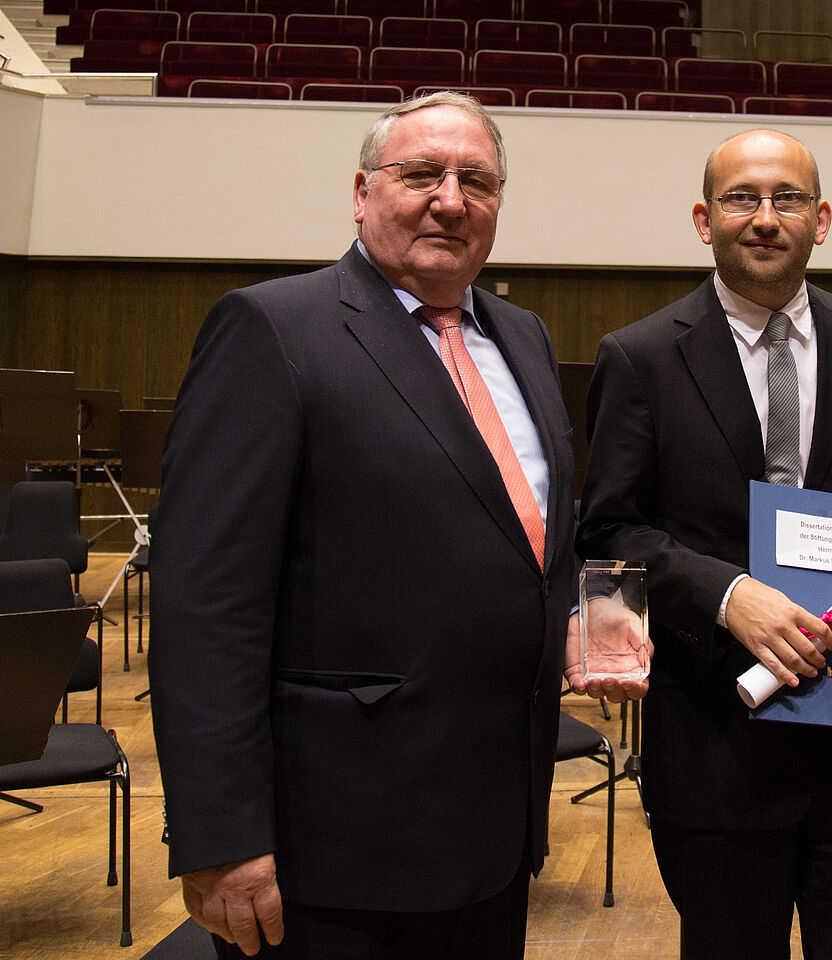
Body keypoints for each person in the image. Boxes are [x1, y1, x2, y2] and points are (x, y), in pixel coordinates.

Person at [149, 92, 638, 960]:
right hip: (332, 845)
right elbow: (204, 609)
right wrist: (221, 836)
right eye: (421, 174)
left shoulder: (521, 336)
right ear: (361, 192)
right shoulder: (272, 329)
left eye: (476, 180)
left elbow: (523, 536)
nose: (450, 199)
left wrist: (571, 616)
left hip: (492, 830)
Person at [577, 128, 832, 960]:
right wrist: (729, 598)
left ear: (823, 218)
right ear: (705, 220)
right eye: (742, 198)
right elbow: (607, 531)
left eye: (788, 198)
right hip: (715, 746)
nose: (765, 218)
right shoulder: (639, 357)